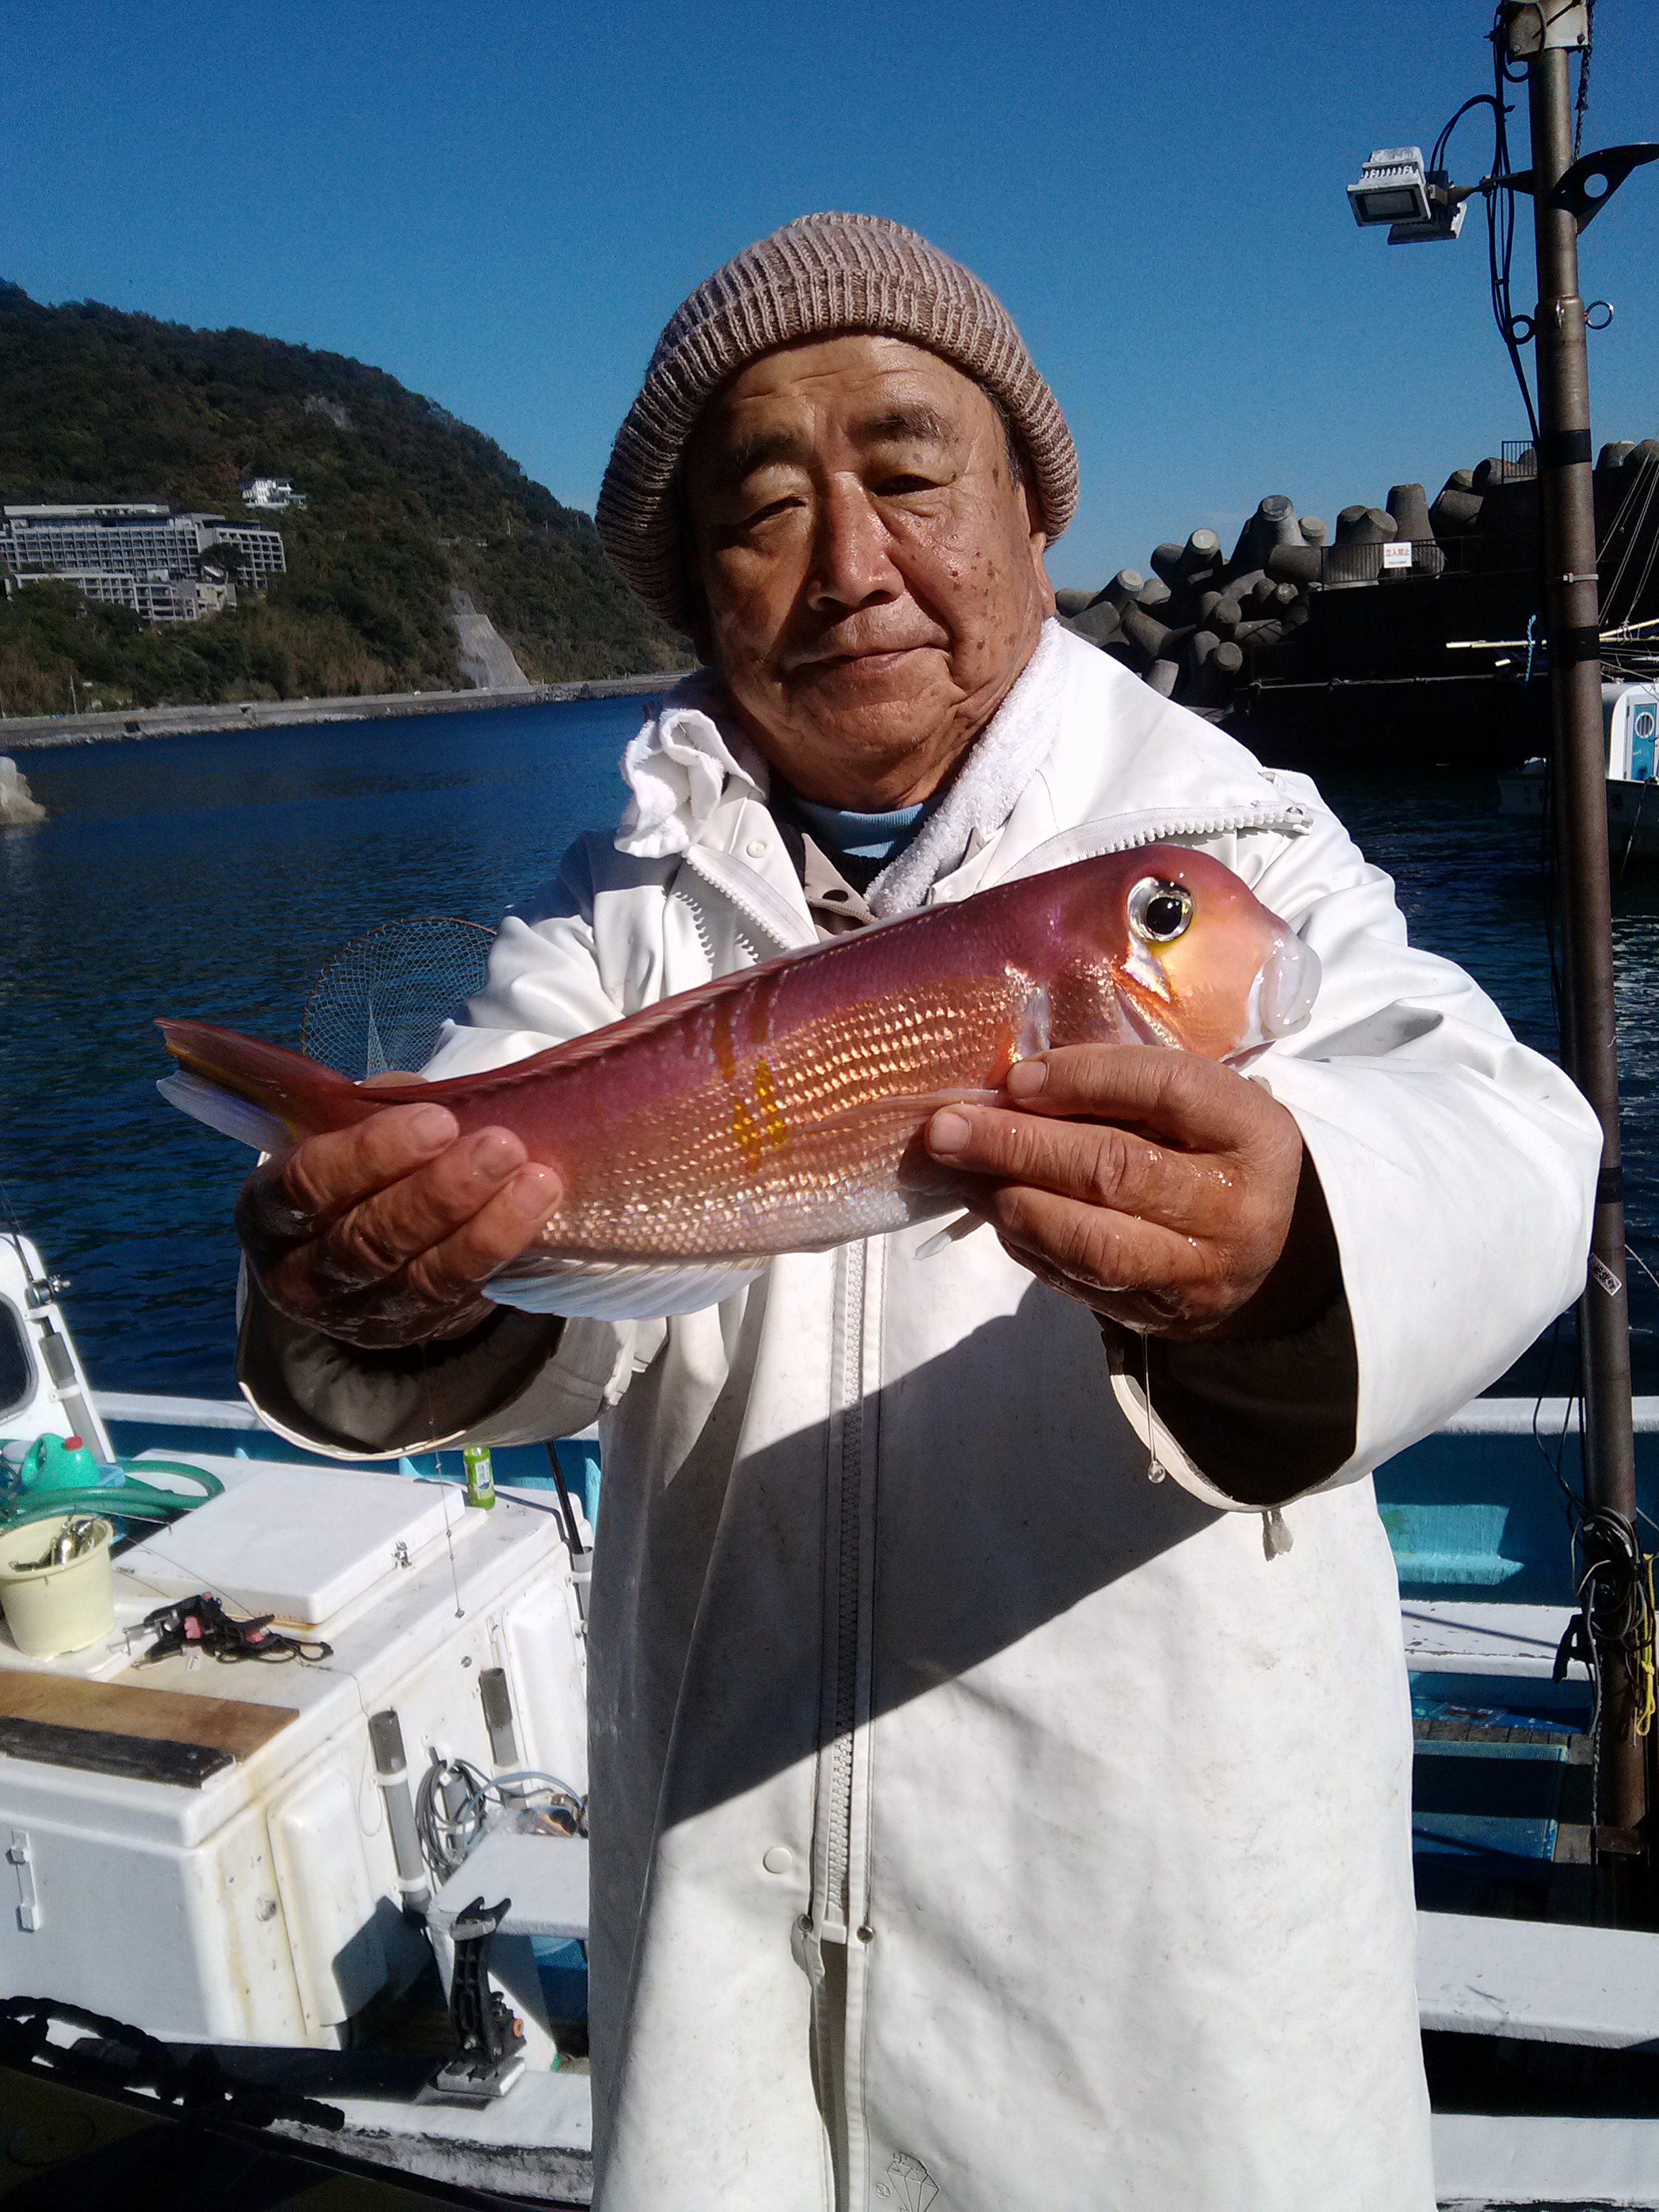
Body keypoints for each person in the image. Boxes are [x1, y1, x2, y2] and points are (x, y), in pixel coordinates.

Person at [236, 215, 1598, 2211]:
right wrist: (384, 1278)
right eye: (765, 508)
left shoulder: (1224, 843)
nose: (851, 563)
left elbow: (1501, 1133)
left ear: (1035, 517)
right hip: (727, 1948)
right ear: (696, 585)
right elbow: (526, 1273)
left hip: (1167, 1979)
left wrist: (1299, 1233)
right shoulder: (610, 912)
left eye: (907, 474)